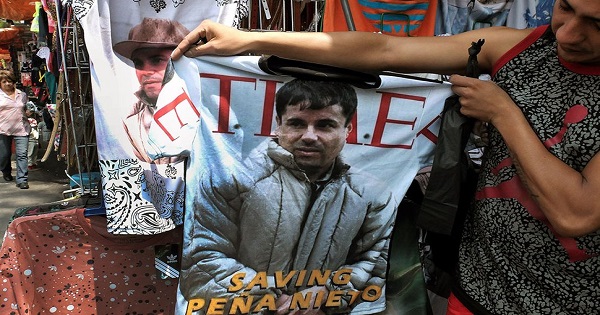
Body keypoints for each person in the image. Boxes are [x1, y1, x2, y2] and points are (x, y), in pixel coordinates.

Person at [172, 0, 600, 314]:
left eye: (596, 24)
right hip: (477, 286)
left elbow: (577, 215)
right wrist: (251, 39)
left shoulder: (366, 193)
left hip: (566, 299)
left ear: (346, 130)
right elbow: (386, 52)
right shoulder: (518, 47)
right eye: (564, 8)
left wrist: (503, 112)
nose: (566, 33)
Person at [180, 79, 398, 314]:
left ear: (348, 130)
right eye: (296, 124)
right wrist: (268, 298)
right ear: (278, 124)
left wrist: (328, 294)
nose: (309, 136)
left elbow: (374, 262)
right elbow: (201, 260)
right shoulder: (230, 178)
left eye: (325, 125)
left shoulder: (373, 195)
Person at [113, 17, 190, 163]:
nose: (145, 72)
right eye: (138, 63)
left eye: (156, 60)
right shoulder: (131, 122)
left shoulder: (204, 112)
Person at [0, 70, 30, 189]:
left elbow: (27, 108)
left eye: (10, 81)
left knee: (22, 154)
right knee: (4, 155)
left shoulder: (21, 95)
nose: (7, 84)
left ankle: (22, 179)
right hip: (2, 129)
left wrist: (29, 112)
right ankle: (6, 171)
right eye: (4, 81)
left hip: (21, 128)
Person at [25, 101, 40, 170]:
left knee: (35, 152)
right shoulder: (25, 119)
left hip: (35, 138)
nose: (31, 113)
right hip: (30, 138)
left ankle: (33, 163)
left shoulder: (34, 119)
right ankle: (29, 163)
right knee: (30, 152)